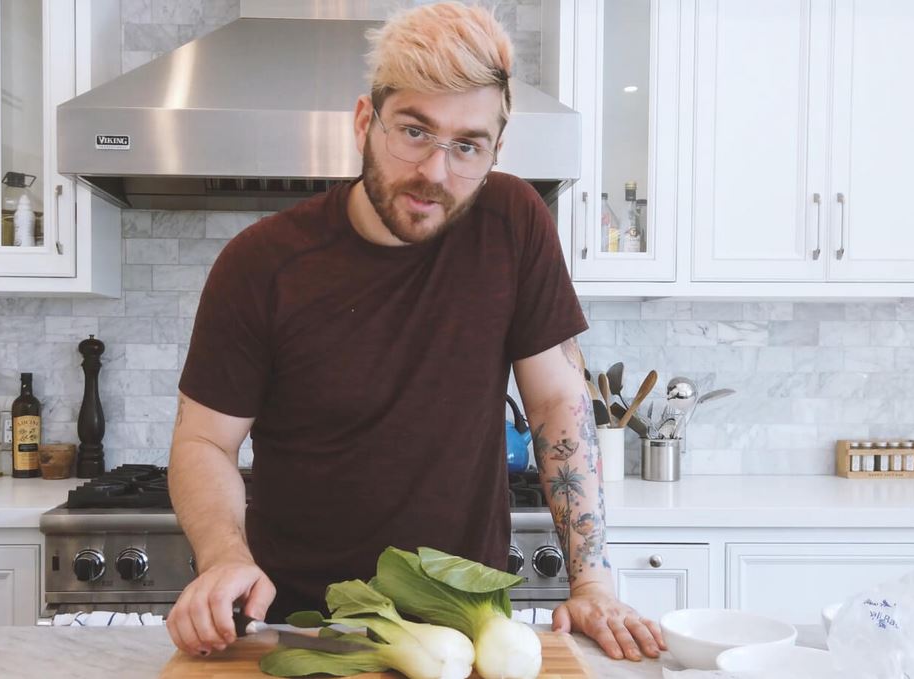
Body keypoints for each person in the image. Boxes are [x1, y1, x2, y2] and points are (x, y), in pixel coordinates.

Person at [165, 1, 665, 663]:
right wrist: (224, 556)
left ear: (494, 152)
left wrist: (593, 582)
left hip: (468, 627)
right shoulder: (261, 265)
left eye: (467, 146)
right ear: (364, 122)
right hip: (306, 629)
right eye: (414, 131)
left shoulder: (513, 223)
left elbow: (555, 400)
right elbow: (204, 439)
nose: (435, 171)